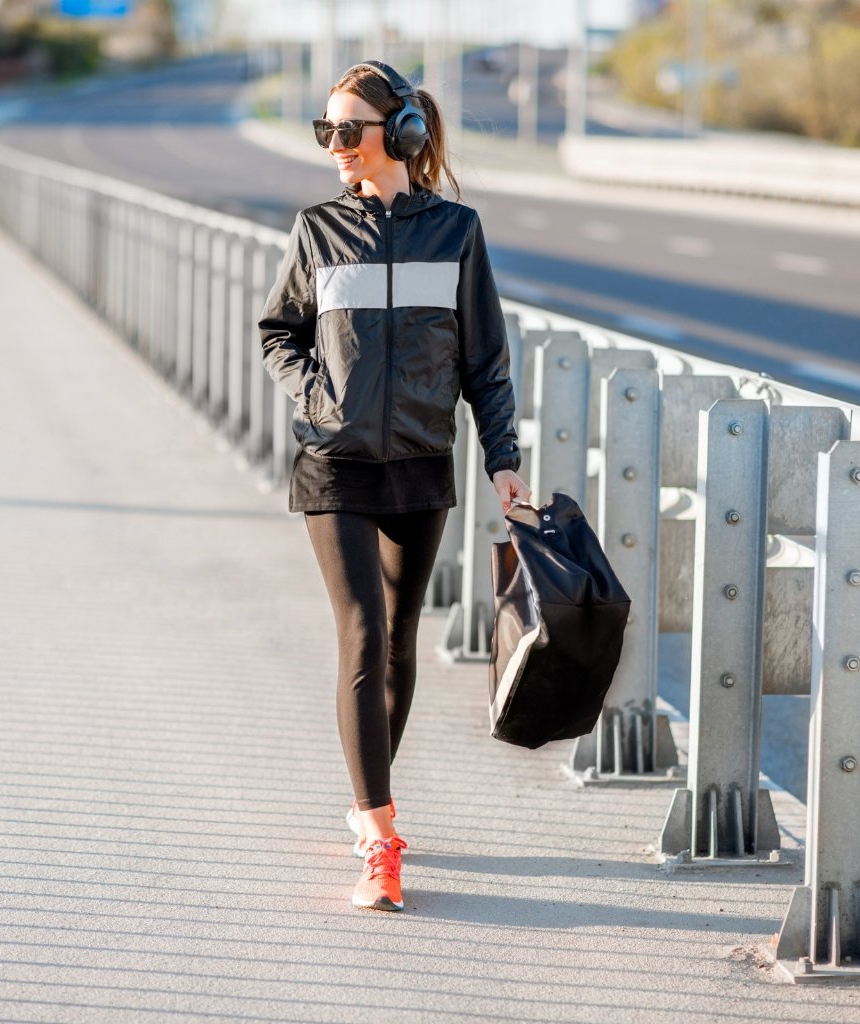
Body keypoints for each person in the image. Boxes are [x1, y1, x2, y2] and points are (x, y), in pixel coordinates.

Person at [259, 59, 530, 912]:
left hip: (420, 462)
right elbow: (279, 331)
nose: (335, 147)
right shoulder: (317, 229)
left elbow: (485, 359)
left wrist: (503, 458)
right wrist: (318, 397)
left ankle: (368, 792)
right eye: (325, 132)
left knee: (402, 640)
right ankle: (379, 836)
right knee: (363, 633)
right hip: (333, 463)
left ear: (400, 135)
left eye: (348, 130)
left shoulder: (457, 232)